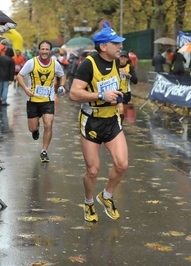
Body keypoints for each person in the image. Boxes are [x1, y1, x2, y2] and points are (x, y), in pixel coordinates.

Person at [69, 27, 128, 222]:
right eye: (116, 43)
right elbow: (74, 93)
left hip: (111, 120)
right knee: (93, 171)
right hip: (91, 122)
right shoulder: (88, 65)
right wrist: (100, 95)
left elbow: (112, 86)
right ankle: (88, 202)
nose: (120, 46)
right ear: (103, 46)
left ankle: (106, 196)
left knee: (122, 165)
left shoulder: (116, 62)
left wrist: (118, 97)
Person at [16, 40, 66, 163]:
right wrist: (25, 88)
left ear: (50, 50)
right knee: (32, 129)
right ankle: (36, 128)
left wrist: (62, 86)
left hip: (48, 100)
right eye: (42, 49)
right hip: (32, 99)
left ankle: (44, 151)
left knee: (48, 124)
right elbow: (19, 76)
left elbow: (62, 75)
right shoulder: (31, 63)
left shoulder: (55, 64)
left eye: (47, 49)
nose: (44, 51)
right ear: (39, 50)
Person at [119, 50, 138, 120]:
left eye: (125, 57)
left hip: (126, 93)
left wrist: (128, 75)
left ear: (127, 59)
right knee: (118, 111)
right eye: (121, 57)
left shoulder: (129, 67)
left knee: (122, 113)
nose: (123, 59)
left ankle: (119, 125)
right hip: (116, 92)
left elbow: (135, 81)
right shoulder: (114, 66)